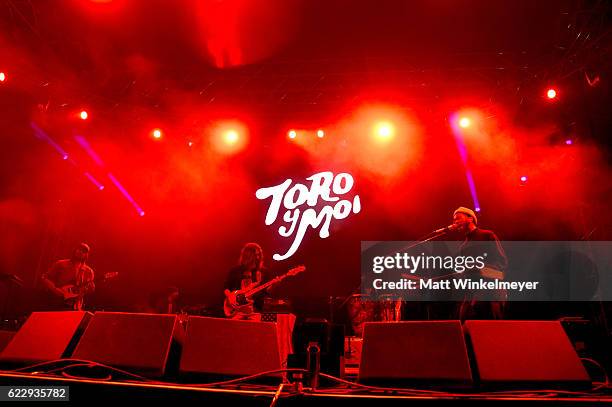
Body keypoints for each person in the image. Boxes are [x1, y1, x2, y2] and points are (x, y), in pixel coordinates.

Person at [451, 207, 507, 320]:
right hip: (472, 293)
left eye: (458, 218)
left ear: (470, 218)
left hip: (491, 292)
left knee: (491, 328)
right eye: (454, 220)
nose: (455, 222)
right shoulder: (464, 246)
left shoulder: (487, 235)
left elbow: (501, 263)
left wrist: (481, 269)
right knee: (464, 324)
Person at [223, 243, 273, 318]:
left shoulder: (263, 272)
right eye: (254, 255)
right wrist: (230, 297)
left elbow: (266, 292)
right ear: (246, 256)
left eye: (259, 255)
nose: (257, 257)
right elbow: (226, 287)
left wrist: (274, 286)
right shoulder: (235, 271)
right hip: (237, 310)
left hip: (255, 310)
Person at [40, 243, 95, 311]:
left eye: (84, 251)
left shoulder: (89, 271)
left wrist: (89, 289)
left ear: (86, 255)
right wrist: (55, 289)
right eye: (79, 249)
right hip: (57, 302)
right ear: (75, 250)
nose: (81, 252)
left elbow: (87, 290)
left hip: (75, 306)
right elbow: (45, 278)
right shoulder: (61, 264)